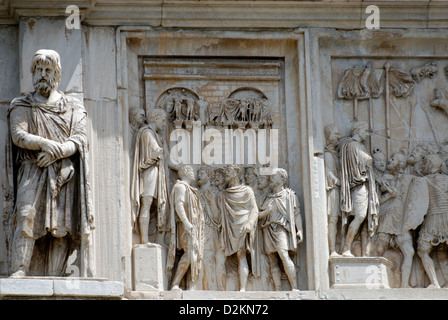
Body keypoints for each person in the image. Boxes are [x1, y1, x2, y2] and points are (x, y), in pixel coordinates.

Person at [4, 49, 94, 277]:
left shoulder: (72, 106)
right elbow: (18, 134)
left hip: (63, 172)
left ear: (57, 74)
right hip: (31, 170)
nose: (43, 74)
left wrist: (60, 151)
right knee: (26, 215)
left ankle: (56, 274)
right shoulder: (21, 104)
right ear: (33, 73)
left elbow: (81, 137)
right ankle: (20, 268)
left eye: (48, 70)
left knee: (61, 226)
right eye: (39, 70)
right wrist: (45, 144)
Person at [259, 168, 303, 291]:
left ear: (282, 179)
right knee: (272, 260)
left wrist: (300, 230)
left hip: (281, 228)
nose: (270, 179)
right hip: (267, 229)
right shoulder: (266, 197)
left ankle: (294, 286)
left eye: (273, 176)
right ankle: (278, 289)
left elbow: (297, 213)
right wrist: (265, 212)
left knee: (283, 254)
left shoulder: (289, 195)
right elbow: (258, 214)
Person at [340, 121, 379, 257]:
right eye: (364, 130)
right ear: (358, 130)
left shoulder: (357, 146)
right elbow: (359, 166)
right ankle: (346, 248)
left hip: (364, 185)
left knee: (363, 218)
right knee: (360, 216)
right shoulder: (353, 145)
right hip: (359, 185)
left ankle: (364, 252)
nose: (366, 134)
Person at [130, 108, 169, 244]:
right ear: (156, 118)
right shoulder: (147, 133)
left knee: (149, 204)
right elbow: (155, 152)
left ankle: (147, 238)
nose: (164, 124)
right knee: (146, 204)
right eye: (163, 120)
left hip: (153, 171)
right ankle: (144, 240)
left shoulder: (152, 134)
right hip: (149, 171)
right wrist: (162, 149)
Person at [219, 165, 260, 291]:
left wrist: (249, 223)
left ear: (236, 173)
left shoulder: (247, 190)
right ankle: (220, 288)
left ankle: (242, 288)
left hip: (243, 224)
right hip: (228, 226)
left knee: (241, 255)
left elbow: (254, 210)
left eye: (228, 172)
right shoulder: (223, 194)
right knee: (220, 255)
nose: (226, 175)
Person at [167, 165, 204, 290]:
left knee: (194, 254)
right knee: (189, 254)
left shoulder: (190, 189)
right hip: (186, 226)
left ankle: (190, 285)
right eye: (192, 171)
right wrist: (187, 223)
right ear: (187, 172)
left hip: (193, 226)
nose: (194, 173)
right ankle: (175, 283)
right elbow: (179, 206)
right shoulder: (181, 187)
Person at [417, 154, 448, 288]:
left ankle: (435, 283)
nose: (423, 166)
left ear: (429, 165)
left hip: (432, 217)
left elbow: (417, 204)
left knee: (422, 251)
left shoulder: (422, 181)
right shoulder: (446, 179)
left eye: (425, 164)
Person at [324, 125, 341, 257]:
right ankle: (332, 249)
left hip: (340, 189)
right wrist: (338, 181)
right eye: (335, 134)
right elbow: (329, 174)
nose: (338, 136)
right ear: (328, 136)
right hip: (333, 190)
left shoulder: (337, 154)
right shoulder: (328, 155)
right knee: (333, 219)